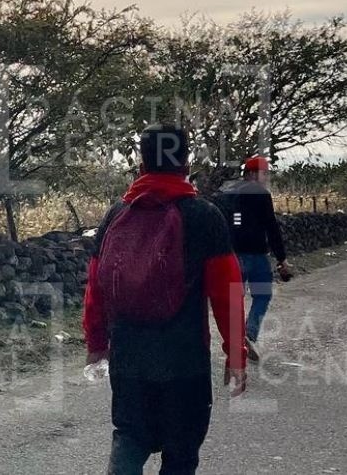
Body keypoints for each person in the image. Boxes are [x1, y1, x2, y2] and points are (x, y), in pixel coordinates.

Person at [84, 125, 248, 475]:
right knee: (181, 454)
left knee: (130, 438)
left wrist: (96, 344)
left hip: (128, 358)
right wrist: (236, 352)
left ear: (142, 164)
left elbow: (96, 287)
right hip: (184, 362)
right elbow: (227, 293)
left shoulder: (116, 215)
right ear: (185, 163)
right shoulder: (204, 216)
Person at [216, 155, 289, 361]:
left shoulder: (229, 193)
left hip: (234, 255)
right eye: (263, 174)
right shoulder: (261, 195)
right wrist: (282, 258)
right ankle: (249, 332)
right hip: (257, 255)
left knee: (235, 297)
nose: (265, 178)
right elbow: (271, 227)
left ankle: (236, 339)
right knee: (262, 295)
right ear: (251, 174)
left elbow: (227, 222)